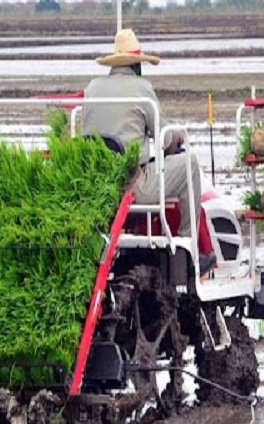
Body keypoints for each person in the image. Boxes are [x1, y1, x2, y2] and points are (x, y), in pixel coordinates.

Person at [81, 29, 217, 276]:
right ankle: (190, 251)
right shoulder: (141, 88)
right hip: (132, 185)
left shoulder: (92, 88)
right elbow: (164, 137)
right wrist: (177, 139)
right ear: (136, 65)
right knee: (191, 165)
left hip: (98, 184)